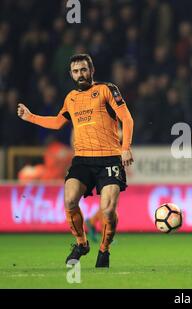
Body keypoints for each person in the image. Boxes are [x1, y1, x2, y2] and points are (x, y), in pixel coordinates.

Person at [17, 54, 134, 268]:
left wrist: (125, 148)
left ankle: (104, 250)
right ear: (71, 74)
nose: (80, 74)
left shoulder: (107, 89)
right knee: (70, 200)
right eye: (76, 71)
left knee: (108, 209)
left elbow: (126, 118)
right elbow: (57, 122)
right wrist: (30, 117)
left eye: (83, 70)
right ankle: (81, 244)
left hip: (109, 158)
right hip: (82, 159)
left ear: (92, 70)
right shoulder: (70, 98)